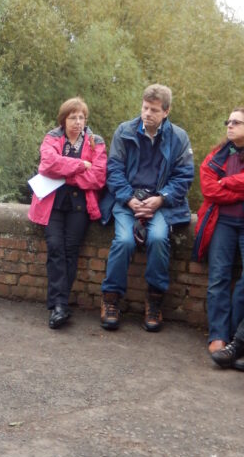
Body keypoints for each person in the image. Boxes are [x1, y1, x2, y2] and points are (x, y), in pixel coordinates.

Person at [99, 84, 194, 332]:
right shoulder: (125, 131)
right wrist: (130, 199)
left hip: (160, 203)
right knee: (124, 241)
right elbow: (114, 170)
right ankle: (111, 299)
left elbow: (184, 177)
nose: (147, 114)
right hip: (126, 200)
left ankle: (154, 301)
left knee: (159, 238)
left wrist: (161, 199)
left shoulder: (179, 138)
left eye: (153, 110)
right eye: (144, 108)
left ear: (166, 111)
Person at [28, 98, 107, 329]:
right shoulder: (52, 137)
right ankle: (59, 305)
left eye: (81, 117)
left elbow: (99, 177)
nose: (78, 122)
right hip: (53, 200)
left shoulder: (96, 142)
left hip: (80, 203)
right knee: (55, 247)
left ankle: (59, 306)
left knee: (70, 250)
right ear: (64, 119)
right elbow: (47, 165)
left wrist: (66, 173)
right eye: (73, 117)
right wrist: (82, 165)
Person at [192, 108, 244, 357]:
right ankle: (219, 335)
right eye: (229, 121)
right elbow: (210, 189)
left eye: (237, 122)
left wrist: (228, 182)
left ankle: (238, 336)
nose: (230, 126)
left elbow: (221, 185)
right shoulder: (218, 155)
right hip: (222, 221)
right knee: (218, 277)